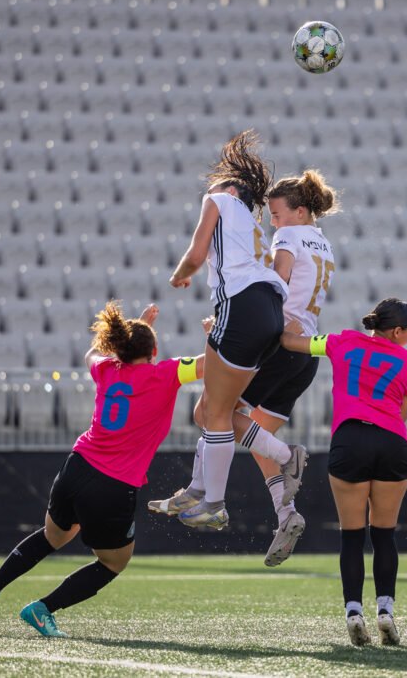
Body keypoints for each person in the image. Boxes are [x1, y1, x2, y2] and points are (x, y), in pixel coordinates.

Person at [0, 302, 204, 637]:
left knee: (53, 536)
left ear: (118, 349)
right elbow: (214, 366)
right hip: (113, 485)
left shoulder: (107, 369)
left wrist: (132, 327)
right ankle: (42, 609)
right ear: (154, 351)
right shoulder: (163, 373)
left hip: (76, 467)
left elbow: (90, 354)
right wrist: (212, 334)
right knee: (112, 563)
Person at [149, 169, 339, 567]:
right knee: (251, 436)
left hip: (280, 340)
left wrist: (240, 319)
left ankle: (211, 489)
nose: (273, 221)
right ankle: (284, 512)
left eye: (277, 213)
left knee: (213, 412)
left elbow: (281, 280)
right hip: (305, 353)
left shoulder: (288, 236)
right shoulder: (324, 244)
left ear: (301, 211)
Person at [166, 130, 306, 530]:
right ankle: (203, 492)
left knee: (216, 412)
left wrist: (179, 277)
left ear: (230, 187)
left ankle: (216, 500)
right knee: (212, 409)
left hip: (241, 306)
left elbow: (194, 255)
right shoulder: (254, 226)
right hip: (270, 312)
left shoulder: (220, 199)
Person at [281, 298, 407, 648]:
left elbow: (289, 342)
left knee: (352, 536)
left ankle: (354, 612)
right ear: (398, 331)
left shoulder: (341, 341)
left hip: (349, 439)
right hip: (390, 441)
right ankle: (385, 610)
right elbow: (402, 412)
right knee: (385, 534)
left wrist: (291, 317)